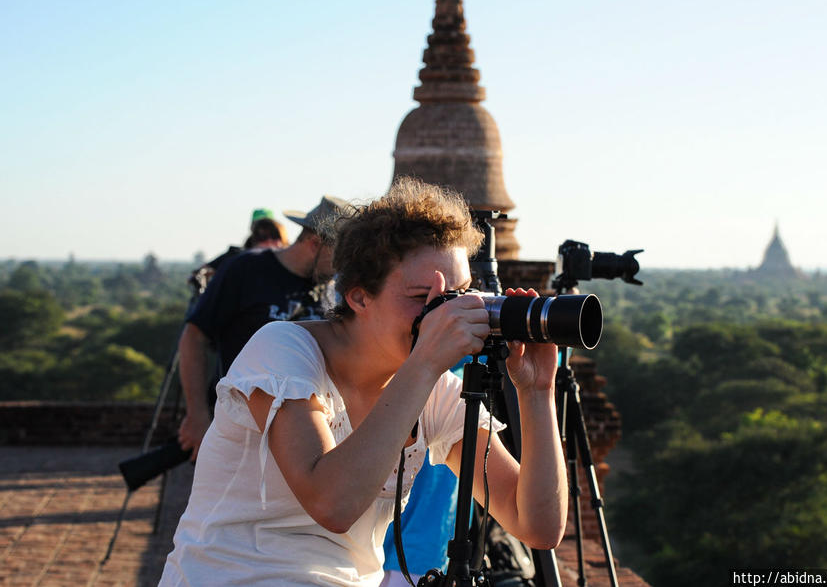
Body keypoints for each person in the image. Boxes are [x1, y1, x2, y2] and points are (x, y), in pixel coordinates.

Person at [160, 178, 567, 586]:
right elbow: (332, 504)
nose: (445, 313)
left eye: (459, 294)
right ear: (358, 297)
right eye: (422, 296)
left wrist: (537, 392)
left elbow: (537, 525)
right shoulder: (284, 350)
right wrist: (424, 362)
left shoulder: (434, 391)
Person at [177, 196, 351, 461]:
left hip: (306, 433)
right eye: (339, 257)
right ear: (315, 243)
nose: (342, 269)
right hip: (242, 428)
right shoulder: (246, 270)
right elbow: (194, 336)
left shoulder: (326, 288)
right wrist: (197, 413)